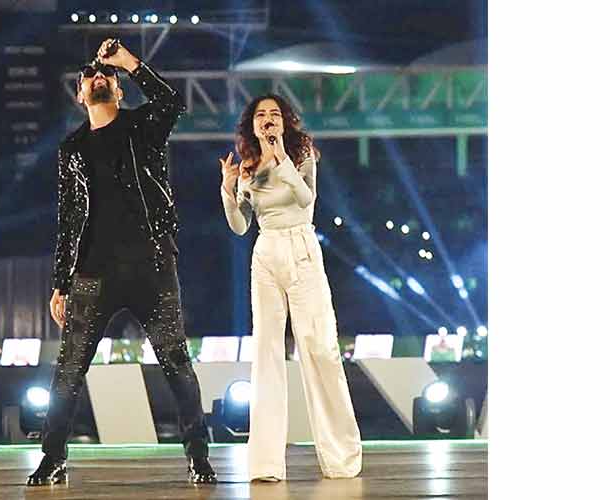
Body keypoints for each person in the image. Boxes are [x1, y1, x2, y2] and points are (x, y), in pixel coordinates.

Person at [27, 39, 216, 486]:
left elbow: (173, 102)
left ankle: (199, 455)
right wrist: (60, 282)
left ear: (119, 89)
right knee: (69, 370)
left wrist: (128, 62)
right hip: (93, 273)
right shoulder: (71, 149)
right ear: (79, 94)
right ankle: (52, 457)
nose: (98, 78)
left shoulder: (143, 128)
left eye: (105, 76)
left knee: (176, 364)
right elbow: (69, 217)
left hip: (152, 267)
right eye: (90, 76)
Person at [218, 94, 362, 482]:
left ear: (285, 122)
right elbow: (240, 226)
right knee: (265, 351)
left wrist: (279, 155)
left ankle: (341, 456)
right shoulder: (248, 167)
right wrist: (228, 190)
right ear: (251, 124)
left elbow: (305, 198)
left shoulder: (301, 155)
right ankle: (265, 464)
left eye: (274, 115)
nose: (268, 120)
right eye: (261, 115)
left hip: (300, 247)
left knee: (320, 347)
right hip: (266, 251)